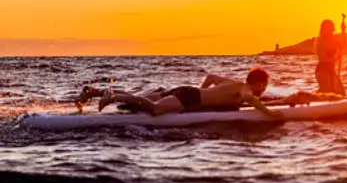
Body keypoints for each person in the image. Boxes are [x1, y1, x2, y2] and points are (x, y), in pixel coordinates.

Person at [92, 68, 280, 117]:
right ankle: (114, 96)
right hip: (189, 97)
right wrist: (270, 113)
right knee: (156, 110)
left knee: (137, 105)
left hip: (188, 92)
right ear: (256, 83)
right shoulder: (245, 89)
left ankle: (96, 92)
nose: (263, 90)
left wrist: (203, 93)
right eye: (263, 85)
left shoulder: (235, 84)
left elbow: (212, 76)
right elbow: (250, 99)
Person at [315, 19, 346, 96]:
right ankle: (311, 101)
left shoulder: (333, 40)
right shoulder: (320, 42)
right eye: (326, 29)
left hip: (331, 70)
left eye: (330, 29)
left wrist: (343, 31)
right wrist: (336, 56)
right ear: (322, 30)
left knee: (340, 93)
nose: (328, 31)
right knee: (326, 93)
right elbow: (323, 59)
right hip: (322, 71)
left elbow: (343, 43)